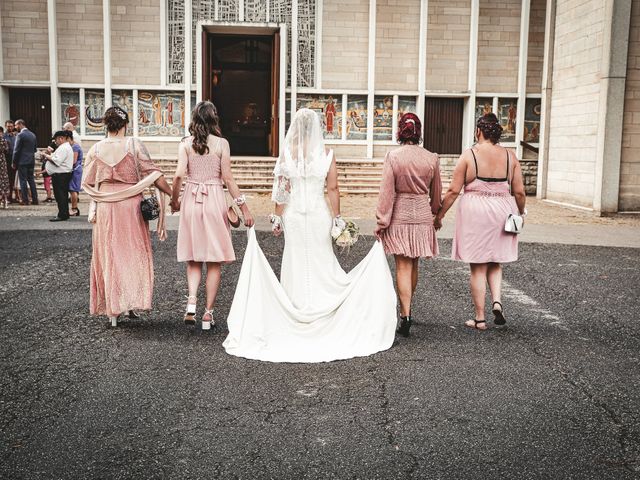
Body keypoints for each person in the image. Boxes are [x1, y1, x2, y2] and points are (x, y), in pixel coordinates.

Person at [223, 108, 397, 363]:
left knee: (296, 258)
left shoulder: (287, 153)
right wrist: (337, 218)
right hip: (318, 215)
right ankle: (325, 306)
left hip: (294, 216)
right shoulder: (326, 154)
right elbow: (333, 188)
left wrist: (277, 217)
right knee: (320, 259)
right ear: (317, 128)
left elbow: (282, 189)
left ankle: (296, 305)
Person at [82, 106, 173, 327]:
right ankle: (129, 302)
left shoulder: (95, 149)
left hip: (105, 205)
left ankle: (113, 310)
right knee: (131, 252)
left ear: (105, 125)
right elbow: (153, 174)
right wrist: (172, 194)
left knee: (108, 253)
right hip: (130, 205)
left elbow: (86, 179)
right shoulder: (133, 144)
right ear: (126, 124)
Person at [434, 113, 526, 330]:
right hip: (503, 209)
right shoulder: (510, 156)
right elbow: (519, 191)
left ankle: (480, 318)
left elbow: (454, 190)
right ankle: (497, 301)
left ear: (478, 131)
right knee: (495, 261)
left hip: (476, 210)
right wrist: (520, 213)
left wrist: (439, 215)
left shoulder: (470, 155)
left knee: (478, 266)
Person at [170, 101, 255, 330]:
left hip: (191, 199)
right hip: (214, 199)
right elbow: (228, 178)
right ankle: (208, 314)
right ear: (214, 119)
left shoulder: (185, 144)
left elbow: (178, 176)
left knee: (194, 258)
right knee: (214, 260)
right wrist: (243, 209)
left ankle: (190, 303)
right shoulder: (221, 144)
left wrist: (175, 200)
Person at [374, 113, 442, 337]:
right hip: (422, 214)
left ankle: (405, 315)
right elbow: (436, 194)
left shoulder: (393, 157)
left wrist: (381, 221)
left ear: (400, 131)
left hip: (400, 214)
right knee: (414, 265)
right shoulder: (432, 158)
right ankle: (408, 309)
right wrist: (434, 214)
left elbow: (386, 192)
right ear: (419, 132)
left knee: (402, 266)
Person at [43, 131, 74, 221]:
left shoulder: (64, 148)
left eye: (56, 139)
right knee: (62, 194)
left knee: (60, 195)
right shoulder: (64, 147)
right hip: (62, 174)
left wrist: (46, 155)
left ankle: (62, 214)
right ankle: (64, 213)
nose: (55, 142)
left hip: (61, 175)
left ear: (61, 138)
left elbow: (57, 161)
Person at [12, 119, 39, 205]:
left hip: (22, 161)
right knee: (31, 180)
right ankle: (35, 199)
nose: (15, 127)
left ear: (20, 124)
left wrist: (14, 162)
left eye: (16, 125)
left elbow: (16, 151)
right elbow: (35, 149)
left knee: (23, 180)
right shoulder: (33, 135)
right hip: (31, 160)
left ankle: (25, 200)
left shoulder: (20, 135)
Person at [68, 133, 83, 216]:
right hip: (76, 169)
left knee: (73, 190)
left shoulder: (75, 147)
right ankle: (74, 208)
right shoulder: (74, 146)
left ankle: (74, 209)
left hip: (75, 170)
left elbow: (73, 161)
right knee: (73, 190)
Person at [3, 120, 17, 203]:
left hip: (14, 160)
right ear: (5, 126)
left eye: (11, 126)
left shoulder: (16, 136)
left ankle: (11, 196)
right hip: (6, 160)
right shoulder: (3, 136)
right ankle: (7, 197)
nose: (10, 128)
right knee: (6, 180)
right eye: (8, 126)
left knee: (12, 180)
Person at [0, 128, 10, 208]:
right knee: (3, 181)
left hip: (2, 162)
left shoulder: (4, 140)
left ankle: (3, 200)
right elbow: (7, 150)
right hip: (2, 161)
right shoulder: (4, 140)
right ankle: (5, 200)